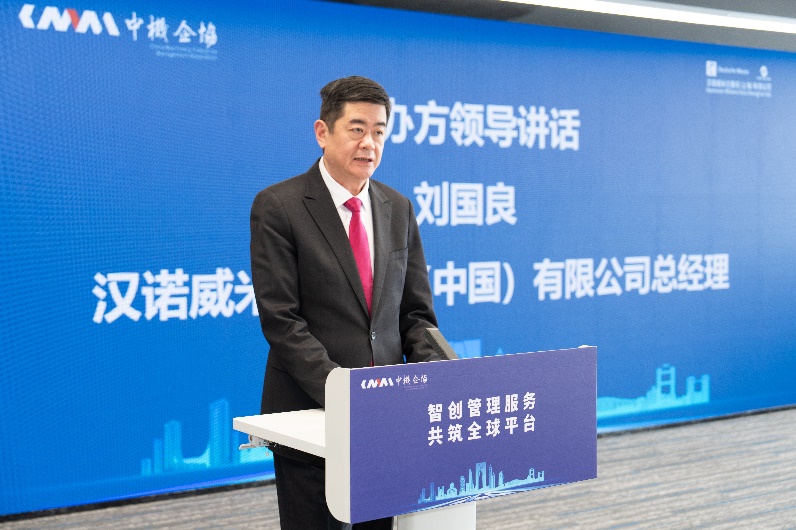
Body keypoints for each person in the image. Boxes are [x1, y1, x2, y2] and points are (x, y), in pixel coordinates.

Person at [250, 76, 440, 529]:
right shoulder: (279, 206)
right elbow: (282, 321)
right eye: (357, 129)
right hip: (310, 414)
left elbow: (415, 314)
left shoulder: (398, 207)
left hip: (384, 420)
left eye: (379, 131)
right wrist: (344, 394)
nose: (369, 143)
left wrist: (438, 374)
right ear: (322, 132)